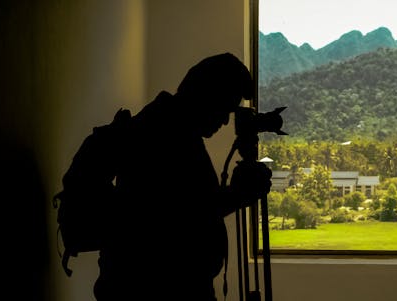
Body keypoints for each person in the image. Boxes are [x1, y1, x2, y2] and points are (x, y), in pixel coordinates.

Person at [93, 53, 272, 300]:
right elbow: (175, 216)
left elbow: (188, 204)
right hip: (159, 287)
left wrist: (236, 195)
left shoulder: (172, 127)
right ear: (205, 95)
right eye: (224, 107)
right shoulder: (162, 133)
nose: (224, 121)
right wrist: (239, 194)